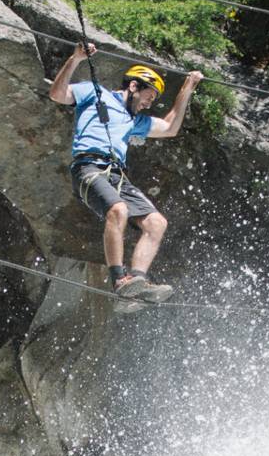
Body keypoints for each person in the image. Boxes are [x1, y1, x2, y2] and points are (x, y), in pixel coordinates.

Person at [49, 43, 203, 307]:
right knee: (118, 210)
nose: (147, 104)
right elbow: (57, 93)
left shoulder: (135, 121)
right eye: (149, 97)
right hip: (88, 168)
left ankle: (137, 282)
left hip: (117, 175)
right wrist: (75, 59)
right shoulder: (95, 92)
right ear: (133, 86)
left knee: (157, 223)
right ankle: (119, 280)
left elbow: (169, 127)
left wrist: (187, 88)